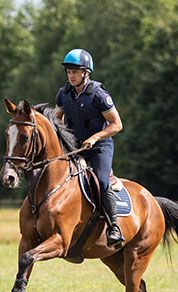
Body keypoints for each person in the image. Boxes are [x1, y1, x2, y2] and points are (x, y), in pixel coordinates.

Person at [55, 48, 124, 247]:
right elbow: (57, 118)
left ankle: (114, 227)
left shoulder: (99, 95)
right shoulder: (63, 94)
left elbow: (117, 125)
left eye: (75, 71)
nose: (71, 75)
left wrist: (95, 138)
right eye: (68, 71)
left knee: (102, 181)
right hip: (75, 147)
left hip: (99, 148)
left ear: (86, 72)